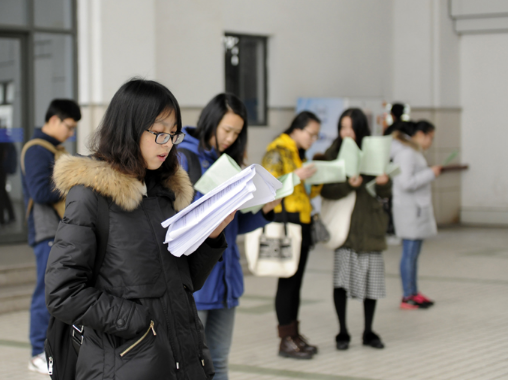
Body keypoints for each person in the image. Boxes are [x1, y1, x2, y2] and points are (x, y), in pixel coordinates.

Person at [45, 79, 235, 380]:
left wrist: (211, 238)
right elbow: (63, 293)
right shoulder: (92, 195)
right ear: (129, 128)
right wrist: (140, 321)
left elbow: (183, 282)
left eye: (174, 135)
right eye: (159, 133)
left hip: (184, 357)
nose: (168, 144)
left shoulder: (164, 190)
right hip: (127, 362)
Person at [177, 93, 278, 380]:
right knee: (191, 363)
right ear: (211, 123)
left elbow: (232, 226)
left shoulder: (230, 163)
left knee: (219, 361)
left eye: (237, 133)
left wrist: (265, 211)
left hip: (226, 282)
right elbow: (179, 218)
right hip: (197, 282)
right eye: (226, 130)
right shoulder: (184, 156)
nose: (231, 138)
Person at [321, 108, 391, 351]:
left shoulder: (375, 152)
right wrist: (348, 186)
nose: (346, 132)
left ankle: (368, 331)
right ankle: (342, 331)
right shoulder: (333, 152)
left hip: (371, 225)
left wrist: (384, 182)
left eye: (350, 127)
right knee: (341, 282)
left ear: (360, 128)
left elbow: (386, 191)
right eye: (342, 127)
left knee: (372, 283)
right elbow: (325, 190)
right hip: (346, 228)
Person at [21, 98, 81, 374]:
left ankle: (51, 351)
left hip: (56, 231)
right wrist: (77, 178)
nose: (71, 134)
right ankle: (37, 352)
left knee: (57, 290)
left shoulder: (54, 149)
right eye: (69, 127)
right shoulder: (36, 150)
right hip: (46, 230)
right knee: (45, 292)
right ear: (54, 120)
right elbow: (41, 192)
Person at [261, 111, 322, 360]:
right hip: (287, 221)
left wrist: (317, 180)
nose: (313, 139)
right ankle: (285, 339)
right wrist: (297, 176)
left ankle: (294, 334)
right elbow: (267, 186)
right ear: (297, 129)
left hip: (302, 221)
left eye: (317, 135)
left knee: (296, 283)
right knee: (287, 282)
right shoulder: (278, 150)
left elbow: (307, 193)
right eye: (311, 134)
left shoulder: (299, 152)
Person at [391, 120, 440, 309]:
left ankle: (413, 292)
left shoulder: (412, 152)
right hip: (409, 211)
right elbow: (406, 182)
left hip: (414, 210)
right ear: (421, 134)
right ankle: (407, 295)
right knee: (409, 254)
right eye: (430, 138)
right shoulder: (407, 153)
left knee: (413, 254)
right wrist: (430, 173)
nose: (430, 142)